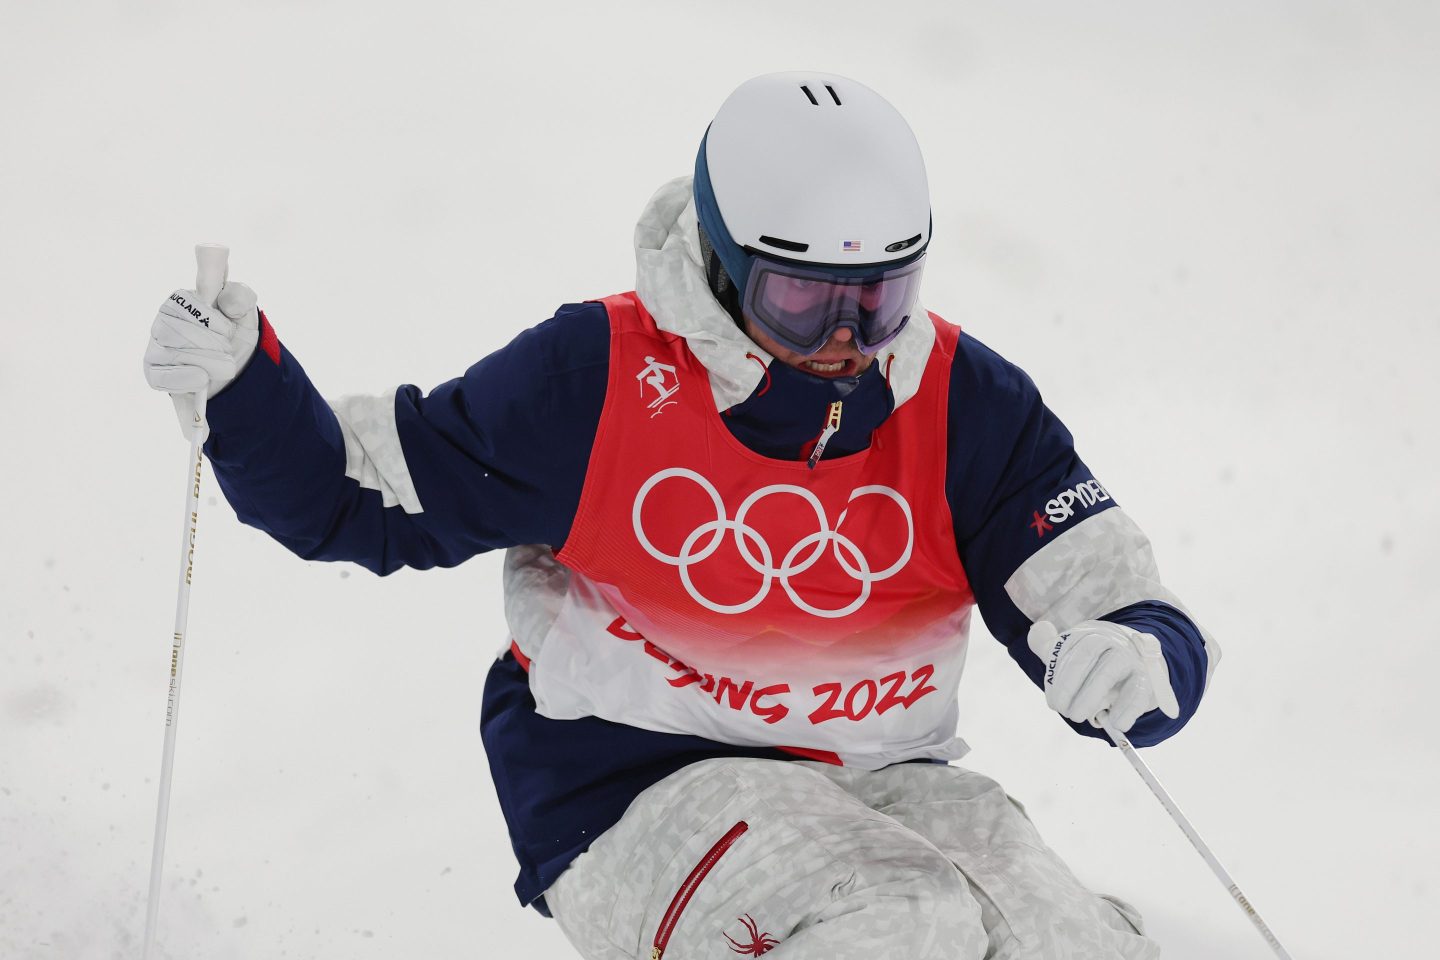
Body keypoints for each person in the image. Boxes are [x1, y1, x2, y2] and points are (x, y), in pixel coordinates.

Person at [144, 72, 1218, 959]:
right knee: (897, 921)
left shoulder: (962, 403)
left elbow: (1091, 572)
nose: (844, 337)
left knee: (1062, 940)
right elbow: (364, 495)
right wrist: (248, 389)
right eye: (800, 298)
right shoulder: (595, 379)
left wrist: (1139, 649)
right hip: (631, 785)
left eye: (879, 298)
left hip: (880, 775)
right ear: (720, 255)